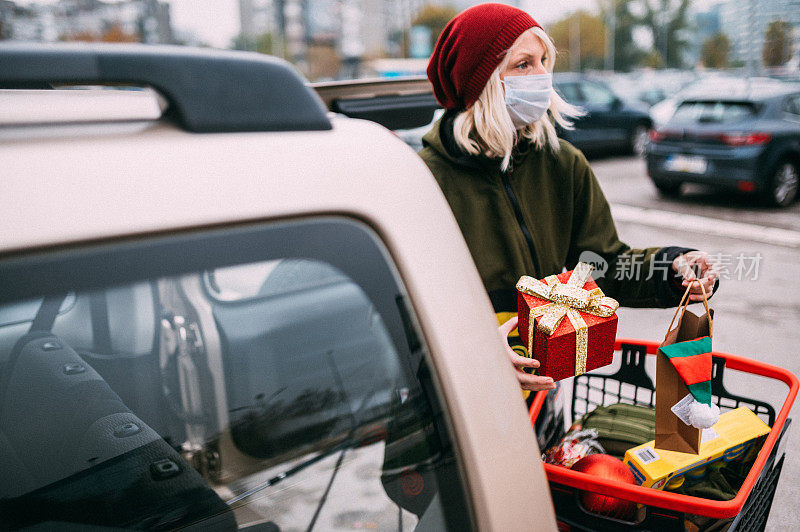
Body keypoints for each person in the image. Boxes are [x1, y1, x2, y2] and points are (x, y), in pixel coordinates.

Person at [419, 3, 717, 393]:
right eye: (523, 64)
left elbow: (601, 265)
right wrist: (475, 348)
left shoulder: (563, 163)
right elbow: (410, 304)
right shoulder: (424, 179)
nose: (543, 76)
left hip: (544, 384)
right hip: (461, 396)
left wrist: (672, 270)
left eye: (544, 60)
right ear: (482, 82)